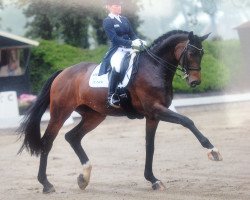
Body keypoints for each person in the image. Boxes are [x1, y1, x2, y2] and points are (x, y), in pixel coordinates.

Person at [99, 0, 146, 108]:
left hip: (130, 48)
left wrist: (139, 41)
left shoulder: (124, 19)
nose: (119, 8)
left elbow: (132, 34)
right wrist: (131, 43)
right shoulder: (108, 21)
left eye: (120, 6)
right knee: (117, 66)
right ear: (109, 7)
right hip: (117, 50)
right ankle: (111, 95)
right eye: (116, 6)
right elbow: (114, 39)